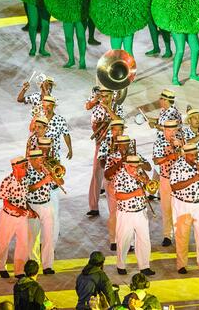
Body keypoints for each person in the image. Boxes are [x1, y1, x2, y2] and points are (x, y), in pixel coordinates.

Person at [170, 144, 199, 274]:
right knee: (182, 235)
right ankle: (181, 264)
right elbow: (175, 186)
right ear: (185, 154)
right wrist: (194, 179)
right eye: (192, 155)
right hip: (183, 204)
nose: (195, 157)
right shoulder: (177, 166)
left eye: (196, 154)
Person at [111, 150, 154, 276]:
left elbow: (150, 187)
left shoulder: (140, 173)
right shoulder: (120, 176)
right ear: (126, 165)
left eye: (137, 166)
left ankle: (144, 266)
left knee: (144, 240)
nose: (135, 169)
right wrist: (135, 193)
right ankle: (121, 264)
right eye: (133, 167)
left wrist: (145, 181)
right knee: (123, 240)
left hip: (141, 211)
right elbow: (118, 196)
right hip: (126, 213)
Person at [86, 87, 124, 217]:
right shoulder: (97, 106)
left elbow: (120, 121)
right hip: (100, 143)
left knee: (113, 175)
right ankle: (93, 206)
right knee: (96, 172)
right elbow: (87, 106)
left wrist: (108, 109)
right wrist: (96, 99)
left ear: (112, 96)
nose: (104, 98)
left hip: (114, 145)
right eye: (102, 96)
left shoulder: (117, 107)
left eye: (106, 96)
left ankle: (116, 208)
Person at [25, 150, 62, 275]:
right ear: (33, 160)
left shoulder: (46, 170)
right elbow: (28, 189)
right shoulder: (27, 171)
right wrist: (43, 181)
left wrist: (55, 176)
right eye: (40, 160)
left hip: (46, 205)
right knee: (33, 238)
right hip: (33, 206)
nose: (42, 162)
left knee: (48, 237)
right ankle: (33, 263)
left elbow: (60, 183)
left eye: (42, 159)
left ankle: (48, 265)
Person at [0, 157, 32, 279]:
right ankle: (1, 267)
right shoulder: (6, 181)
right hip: (8, 217)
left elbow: (25, 199)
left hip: (22, 217)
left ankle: (19, 271)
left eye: (26, 166)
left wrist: (29, 210)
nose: (25, 169)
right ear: (15, 167)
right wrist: (18, 210)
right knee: (4, 243)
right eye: (23, 167)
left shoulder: (25, 180)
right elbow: (5, 203)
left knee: (23, 244)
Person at [153, 118, 183, 247]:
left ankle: (180, 234)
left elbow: (191, 156)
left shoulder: (182, 141)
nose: (171, 133)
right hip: (166, 178)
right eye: (168, 130)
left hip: (181, 179)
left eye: (173, 130)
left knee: (180, 208)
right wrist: (170, 156)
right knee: (166, 208)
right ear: (164, 130)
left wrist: (180, 146)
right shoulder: (159, 142)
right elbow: (156, 161)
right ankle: (167, 235)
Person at [101, 119, 126, 250]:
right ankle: (113, 239)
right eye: (116, 129)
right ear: (112, 130)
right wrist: (112, 161)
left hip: (125, 180)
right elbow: (101, 161)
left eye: (121, 129)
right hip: (111, 179)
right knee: (113, 211)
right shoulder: (106, 142)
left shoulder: (127, 141)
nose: (118, 132)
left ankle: (126, 238)